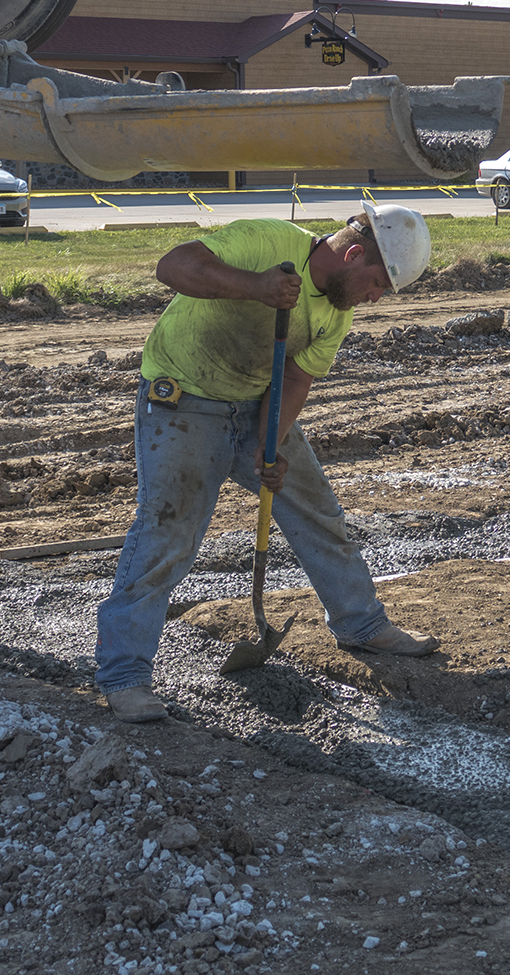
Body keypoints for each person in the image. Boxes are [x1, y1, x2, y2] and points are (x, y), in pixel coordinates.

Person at [95, 205, 442, 723]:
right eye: (376, 284)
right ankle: (125, 676)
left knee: (317, 511)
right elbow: (173, 266)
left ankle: (362, 625)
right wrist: (254, 287)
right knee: (168, 532)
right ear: (352, 255)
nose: (374, 298)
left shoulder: (336, 313)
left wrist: (269, 444)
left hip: (257, 403)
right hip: (184, 401)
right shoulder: (267, 241)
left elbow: (297, 378)